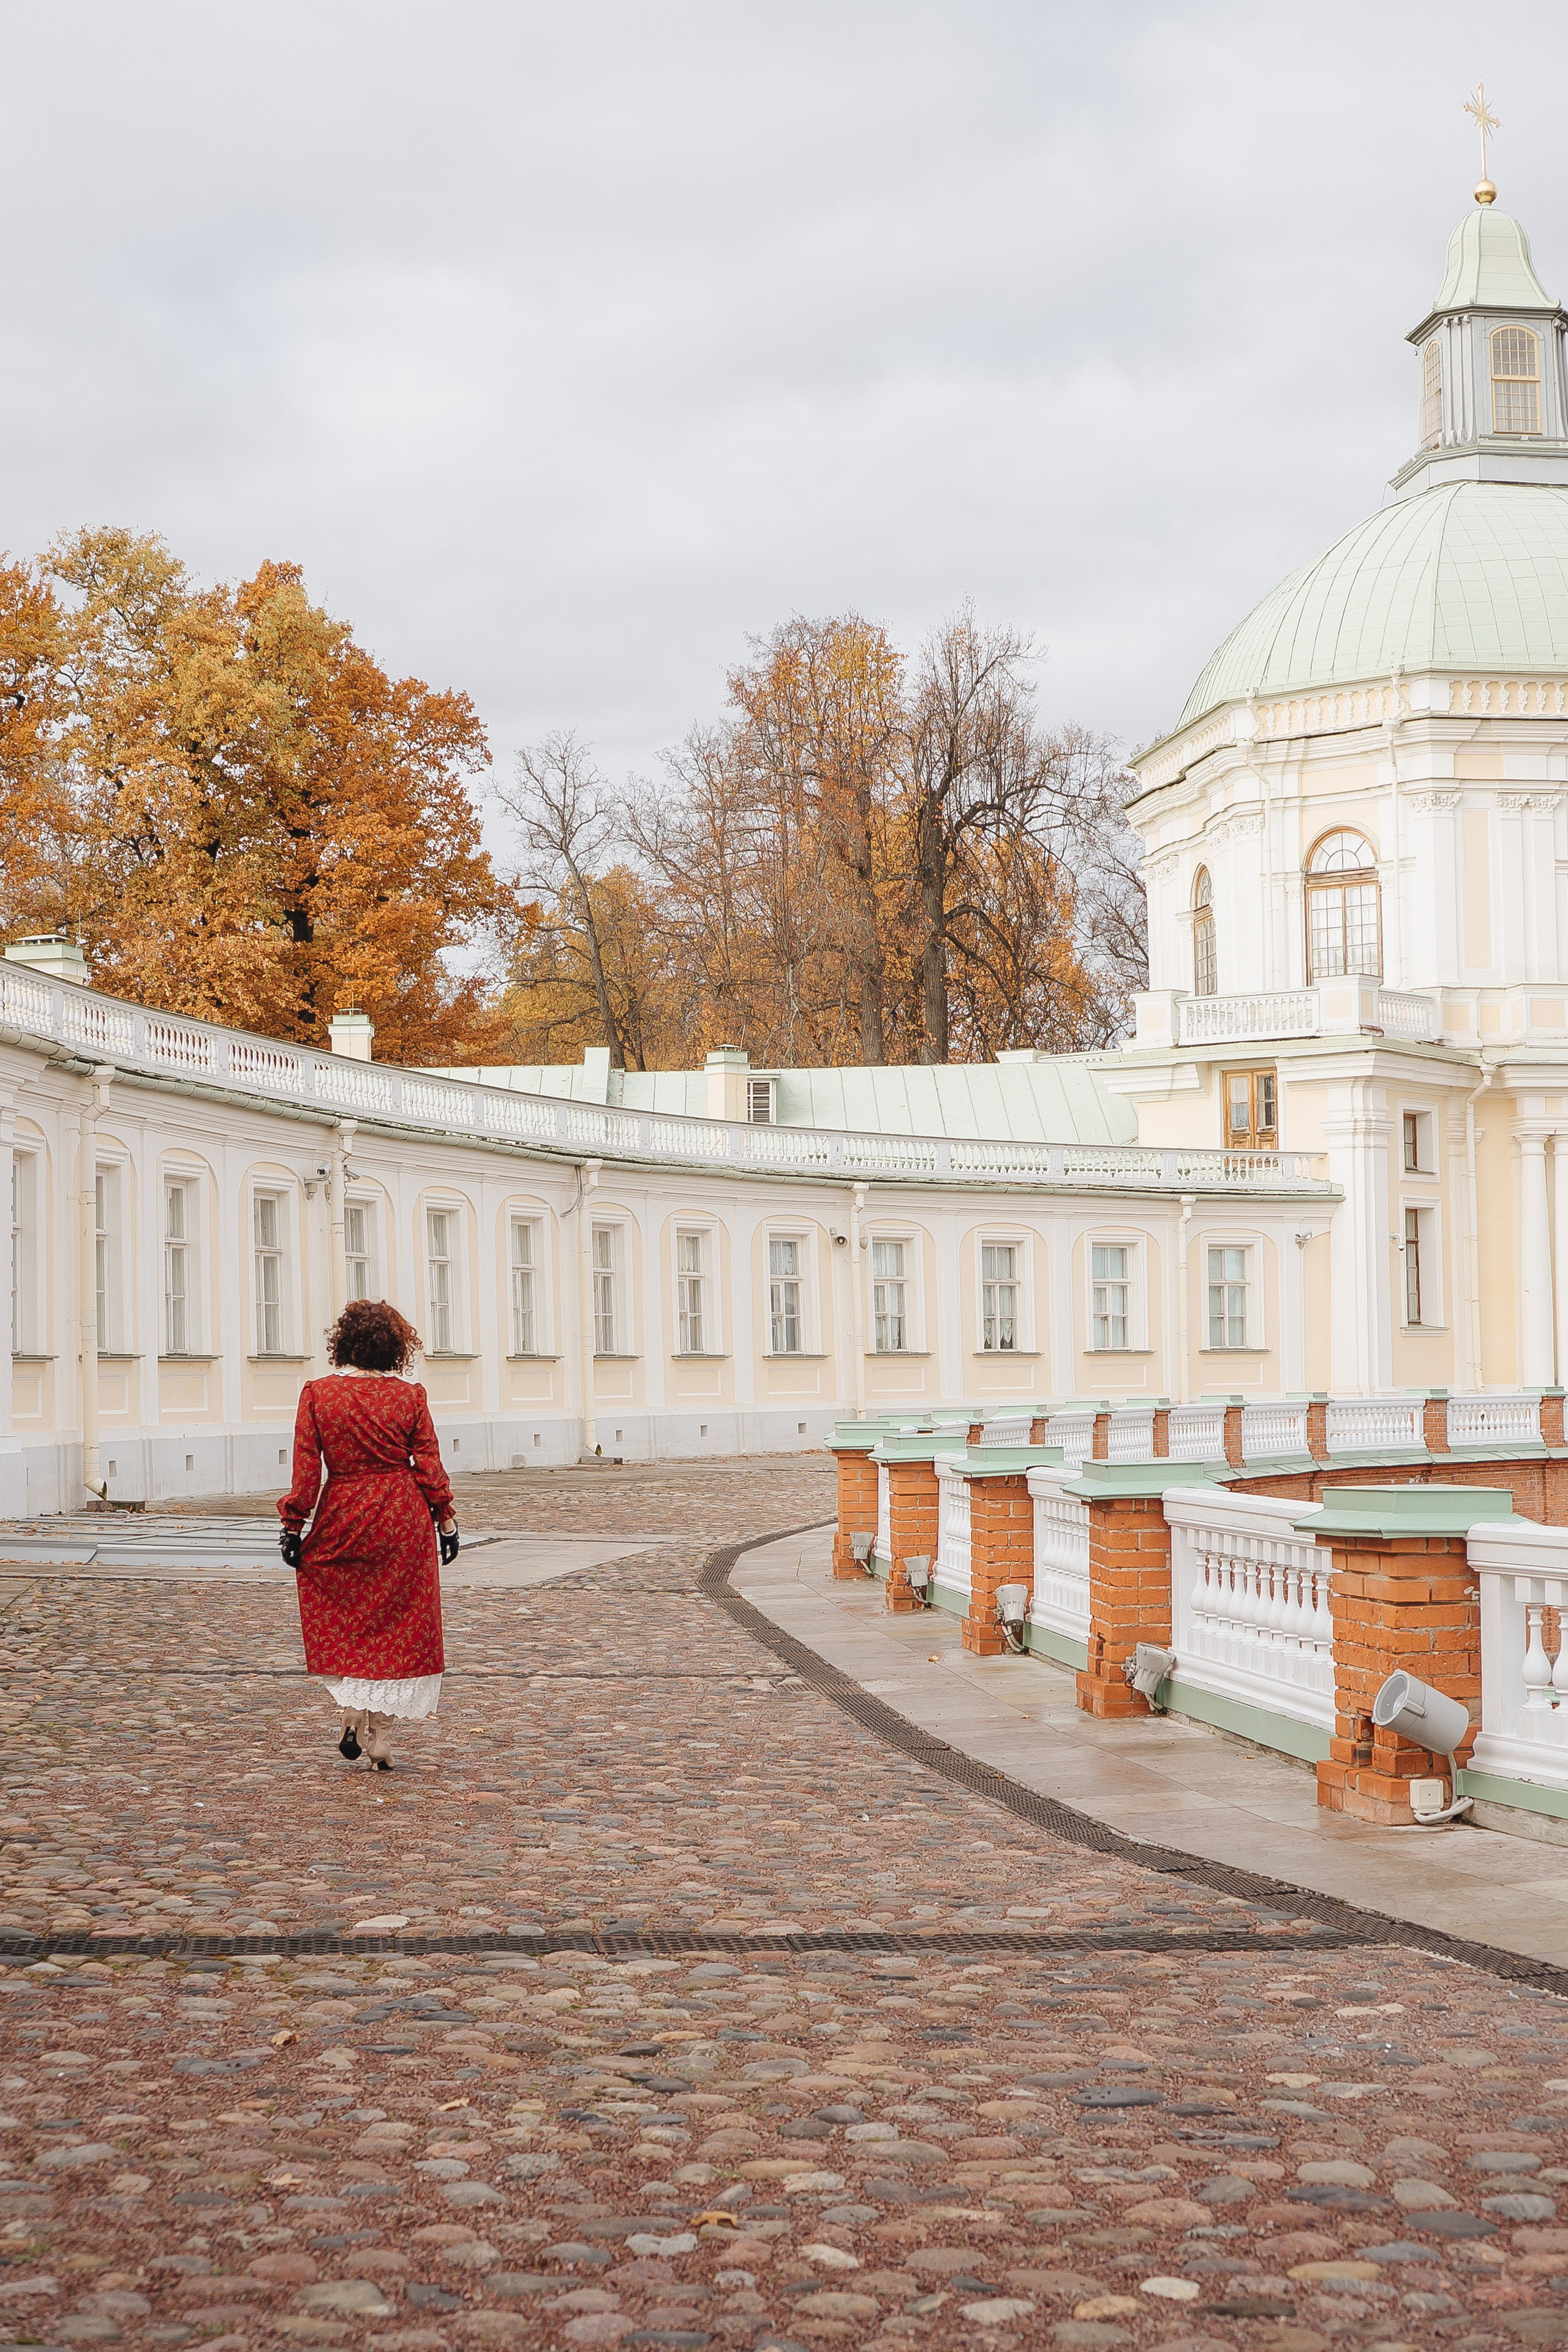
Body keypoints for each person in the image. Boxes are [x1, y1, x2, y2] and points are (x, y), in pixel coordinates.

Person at [276, 1298, 459, 1769]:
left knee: (347, 1616)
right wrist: (445, 1517)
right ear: (396, 1348)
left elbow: (305, 1470)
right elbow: (428, 1462)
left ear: (344, 1343)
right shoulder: (410, 1396)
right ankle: (381, 1738)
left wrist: (294, 1525)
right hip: (402, 1517)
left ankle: (353, 1707)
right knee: (399, 1625)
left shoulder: (318, 1393)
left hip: (343, 1513)